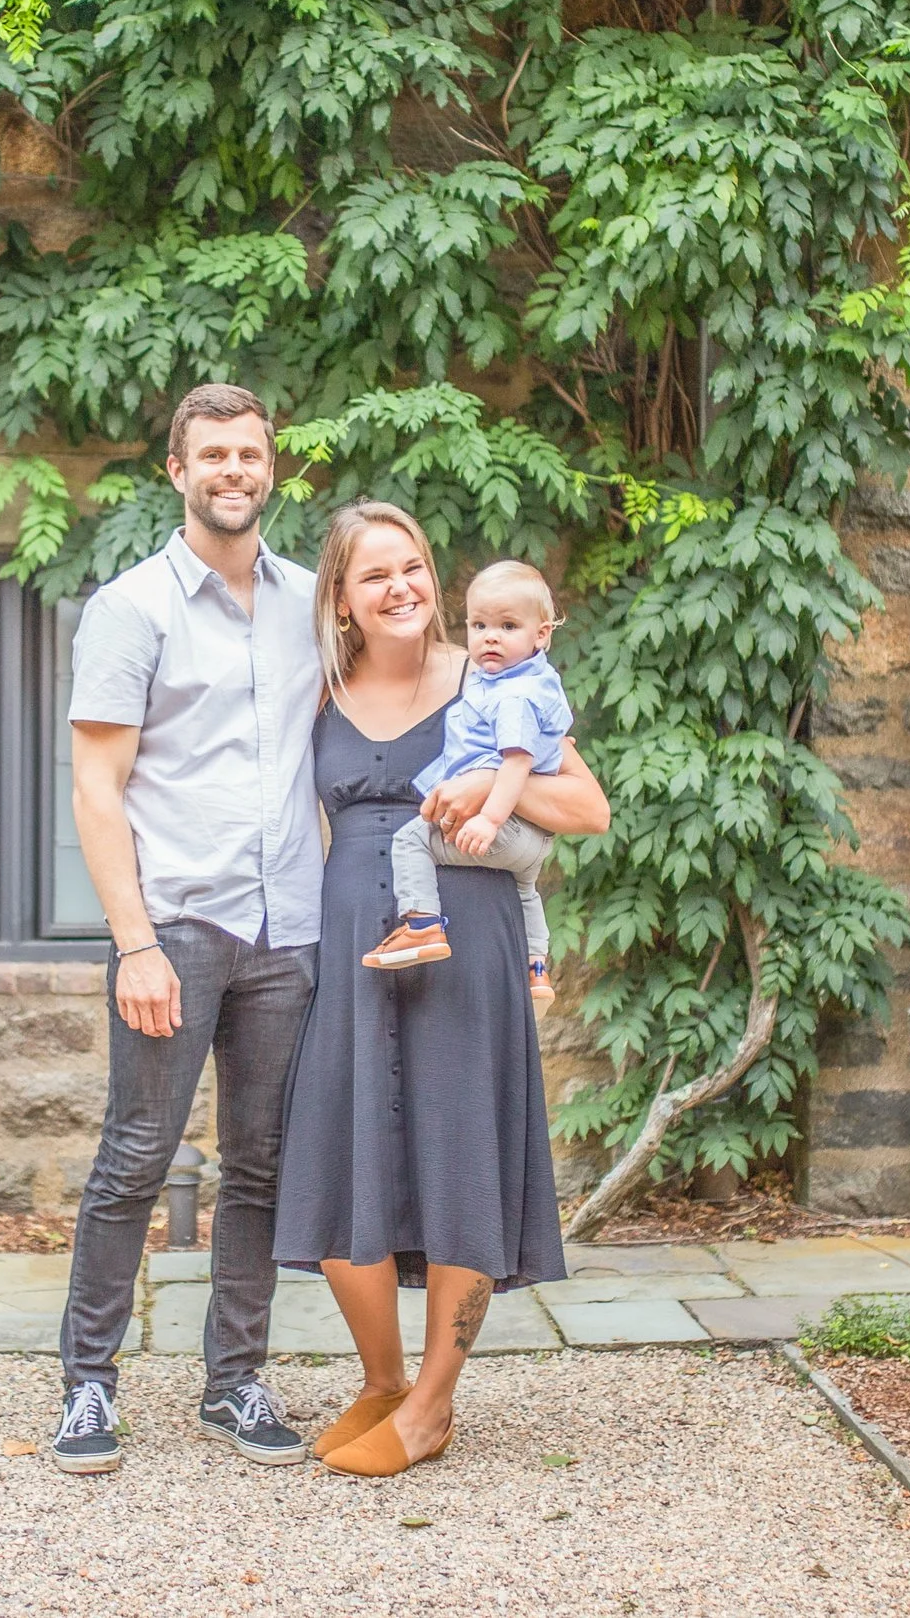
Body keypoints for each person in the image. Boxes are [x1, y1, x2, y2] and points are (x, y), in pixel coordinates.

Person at [274, 500, 611, 1479]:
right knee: (339, 1153)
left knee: (460, 1156)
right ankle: (380, 1381)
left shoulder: (488, 675)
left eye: (414, 566)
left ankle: (431, 1405)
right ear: (341, 599)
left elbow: (585, 808)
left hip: (466, 947)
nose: (402, 587)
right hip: (352, 950)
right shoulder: (320, 695)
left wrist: (475, 792)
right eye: (376, 574)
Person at [48, 382, 323, 1475]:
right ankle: (86, 1386)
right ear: (176, 470)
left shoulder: (312, 604)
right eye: (211, 454)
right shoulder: (132, 609)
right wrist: (135, 943)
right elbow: (96, 785)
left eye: (249, 454)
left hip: (287, 932)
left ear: (271, 468)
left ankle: (235, 1383)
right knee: (134, 1157)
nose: (232, 471)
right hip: (179, 928)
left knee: (259, 1167)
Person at [364, 559, 572, 1013]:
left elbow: (516, 764)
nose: (490, 637)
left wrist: (490, 818)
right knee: (526, 891)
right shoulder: (528, 682)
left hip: (506, 822)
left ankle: (421, 924)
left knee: (411, 839)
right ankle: (536, 966)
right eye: (479, 625)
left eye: (508, 625)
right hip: (534, 839)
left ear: (542, 635)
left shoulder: (512, 697)